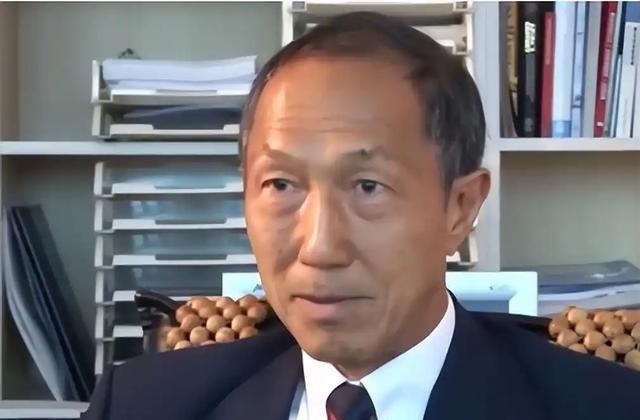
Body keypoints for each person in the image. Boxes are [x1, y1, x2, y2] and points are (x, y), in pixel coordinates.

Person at [82, 12, 640, 420]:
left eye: (368, 187)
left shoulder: (609, 408)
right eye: (280, 184)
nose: (319, 247)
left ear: (461, 207)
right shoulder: (140, 406)